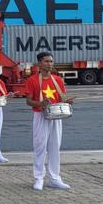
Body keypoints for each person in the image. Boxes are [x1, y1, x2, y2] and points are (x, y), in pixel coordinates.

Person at [25, 52, 75, 191]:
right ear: (40, 64)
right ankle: (39, 178)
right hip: (40, 115)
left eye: (51, 61)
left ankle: (54, 178)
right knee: (40, 146)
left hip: (56, 116)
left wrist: (68, 101)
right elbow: (28, 101)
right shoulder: (32, 80)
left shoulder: (57, 80)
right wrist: (40, 103)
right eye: (46, 61)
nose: (50, 64)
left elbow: (62, 98)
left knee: (55, 147)